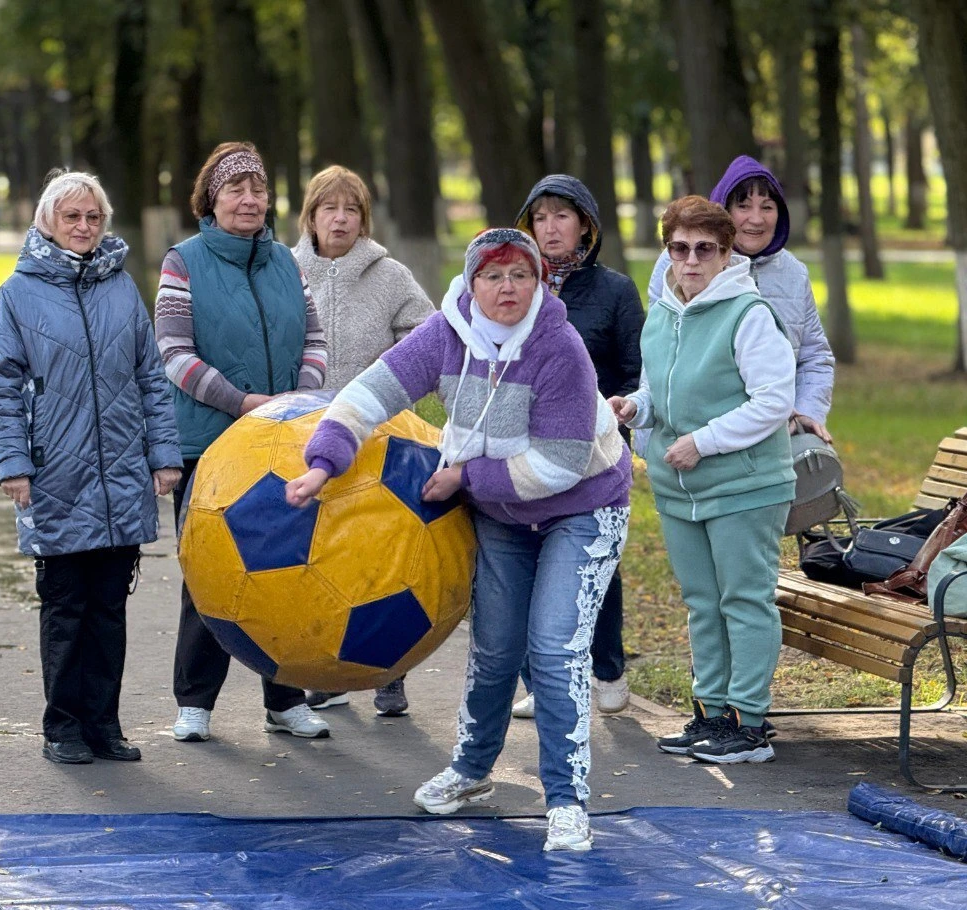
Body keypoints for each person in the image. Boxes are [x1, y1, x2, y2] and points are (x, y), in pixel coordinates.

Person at [288, 229, 631, 852]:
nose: (508, 289)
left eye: (521, 276)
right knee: (496, 649)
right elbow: (368, 394)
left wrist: (465, 477)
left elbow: (558, 464)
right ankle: (473, 771)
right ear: (471, 284)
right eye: (494, 276)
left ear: (539, 282)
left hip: (584, 507)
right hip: (503, 514)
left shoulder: (560, 346)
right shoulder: (447, 334)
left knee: (553, 652)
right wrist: (323, 460)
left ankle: (567, 800)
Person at [0, 171, 182, 765]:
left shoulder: (122, 286)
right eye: (71, 217)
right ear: (48, 220)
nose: (83, 227)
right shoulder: (18, 292)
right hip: (55, 474)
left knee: (110, 607)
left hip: (120, 471)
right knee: (66, 607)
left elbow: (152, 377)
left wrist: (164, 455)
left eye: (93, 217)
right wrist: (13, 463)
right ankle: (62, 727)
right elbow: (0, 385)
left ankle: (104, 723)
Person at [155, 142, 330, 744]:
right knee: (211, 571)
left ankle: (285, 700)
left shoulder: (287, 260)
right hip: (210, 444)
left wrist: (298, 403)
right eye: (236, 189)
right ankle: (195, 702)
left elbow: (315, 339)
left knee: (289, 569)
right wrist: (243, 404)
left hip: (285, 443)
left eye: (258, 189)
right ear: (211, 199)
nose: (250, 200)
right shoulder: (184, 261)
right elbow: (173, 354)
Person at [611, 196, 795, 764]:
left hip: (744, 485)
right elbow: (657, 390)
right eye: (679, 248)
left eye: (704, 250)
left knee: (744, 600)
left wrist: (704, 440)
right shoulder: (664, 312)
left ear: (725, 253)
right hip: (678, 486)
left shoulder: (748, 313)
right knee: (702, 602)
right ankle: (711, 714)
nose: (690, 260)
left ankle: (750, 725)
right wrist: (635, 409)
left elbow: (774, 400)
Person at [291, 164, 434, 718]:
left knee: (382, 562)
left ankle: (390, 675)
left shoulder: (390, 274)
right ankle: (327, 671)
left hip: (378, 439)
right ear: (311, 215)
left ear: (364, 218)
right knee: (320, 560)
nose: (341, 218)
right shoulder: (287, 269)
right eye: (330, 208)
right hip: (303, 439)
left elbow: (427, 338)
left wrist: (387, 382)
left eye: (352, 209)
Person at [510, 174, 644, 720]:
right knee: (526, 564)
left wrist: (623, 403)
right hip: (523, 452)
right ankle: (544, 681)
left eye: (561, 216)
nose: (550, 227)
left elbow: (639, 372)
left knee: (592, 562)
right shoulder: (517, 285)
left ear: (585, 223)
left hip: (594, 454)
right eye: (539, 218)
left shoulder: (614, 291)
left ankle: (607, 669)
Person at [647, 156, 834, 443]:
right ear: (723, 211)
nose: (756, 219)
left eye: (767, 207)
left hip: (775, 434)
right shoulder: (680, 261)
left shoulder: (794, 274)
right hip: (692, 438)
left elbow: (815, 357)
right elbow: (660, 354)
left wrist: (809, 410)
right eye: (743, 206)